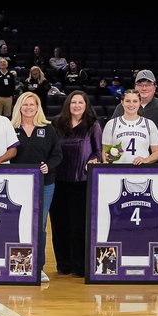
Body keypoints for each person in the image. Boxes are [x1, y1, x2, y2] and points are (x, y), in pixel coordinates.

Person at [11, 92, 62, 283]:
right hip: (18, 185)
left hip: (45, 184)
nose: (29, 108)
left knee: (39, 225)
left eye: (32, 104)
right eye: (25, 104)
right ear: (19, 107)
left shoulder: (48, 129)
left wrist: (48, 165)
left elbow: (57, 155)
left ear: (38, 106)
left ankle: (38, 267)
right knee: (18, 223)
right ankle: (18, 264)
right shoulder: (11, 128)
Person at [51, 91, 101, 278]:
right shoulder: (57, 123)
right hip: (59, 181)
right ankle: (63, 263)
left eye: (81, 102)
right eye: (74, 102)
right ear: (68, 104)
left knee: (79, 225)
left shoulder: (92, 125)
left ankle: (80, 264)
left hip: (82, 181)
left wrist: (93, 161)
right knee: (59, 224)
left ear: (86, 105)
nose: (77, 105)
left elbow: (98, 151)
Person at [103, 90, 158, 165]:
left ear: (140, 102)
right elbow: (106, 154)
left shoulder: (149, 124)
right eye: (128, 101)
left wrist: (146, 160)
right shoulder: (112, 124)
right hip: (118, 172)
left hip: (142, 172)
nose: (131, 104)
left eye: (135, 101)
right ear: (122, 102)